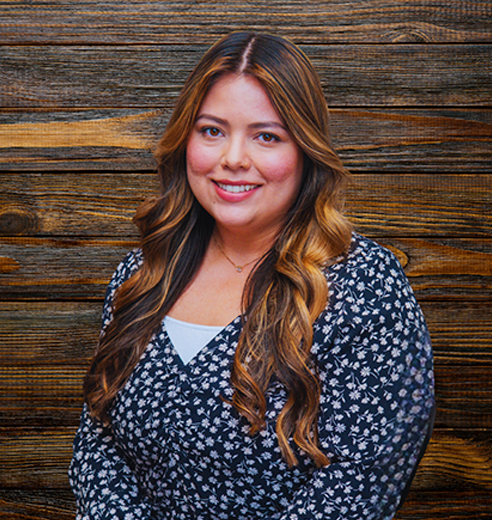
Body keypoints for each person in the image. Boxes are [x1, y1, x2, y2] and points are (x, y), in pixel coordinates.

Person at [69, 31, 435, 520]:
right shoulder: (144, 272)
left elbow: (359, 484)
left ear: (305, 151)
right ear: (186, 140)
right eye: (212, 130)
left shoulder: (363, 285)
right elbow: (99, 446)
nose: (233, 158)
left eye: (267, 135)